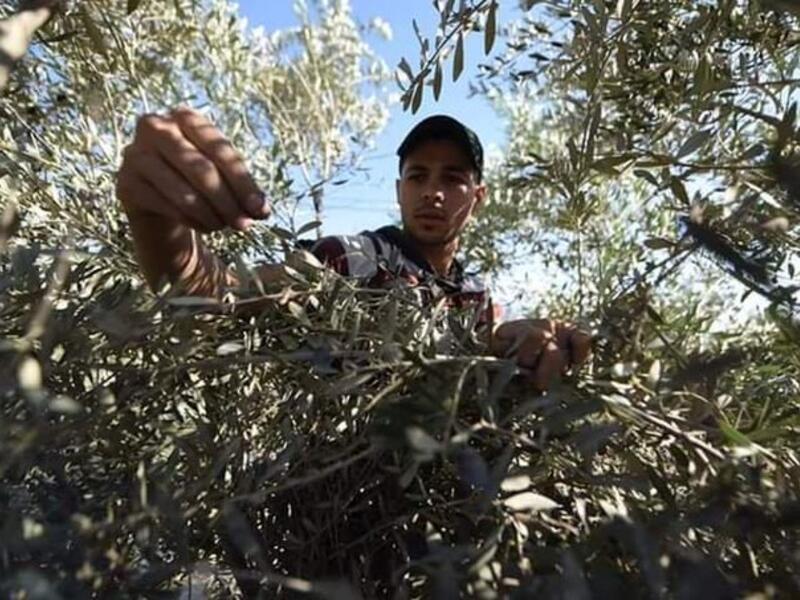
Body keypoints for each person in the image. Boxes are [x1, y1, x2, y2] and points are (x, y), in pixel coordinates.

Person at [116, 108, 591, 390]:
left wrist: (541, 350)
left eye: (453, 178)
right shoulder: (350, 259)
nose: (433, 192)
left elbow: (493, 352)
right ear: (399, 189)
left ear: (478, 198)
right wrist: (156, 220)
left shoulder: (478, 299)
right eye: (418, 176)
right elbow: (215, 296)